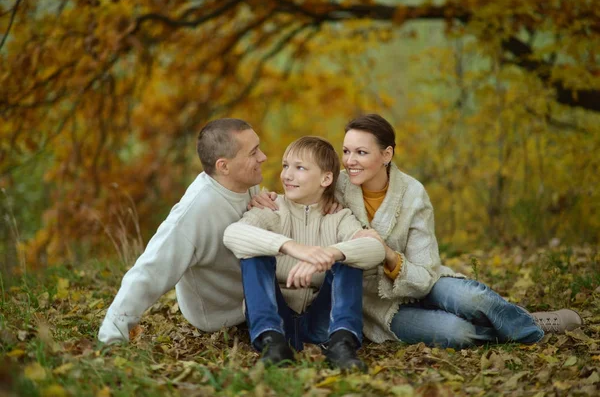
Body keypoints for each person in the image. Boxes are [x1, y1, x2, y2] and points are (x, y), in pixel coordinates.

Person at [252, 114, 582, 348]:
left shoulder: (412, 194)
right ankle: (521, 323)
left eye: (362, 152)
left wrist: (390, 256)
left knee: (475, 297)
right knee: (459, 334)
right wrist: (265, 197)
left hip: (420, 281)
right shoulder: (334, 186)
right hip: (373, 302)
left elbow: (424, 273)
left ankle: (531, 325)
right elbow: (298, 193)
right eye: (347, 151)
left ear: (387, 155)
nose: (350, 161)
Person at [98, 118, 267, 344]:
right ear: (223, 166)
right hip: (223, 317)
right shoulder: (195, 212)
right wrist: (111, 337)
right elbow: (150, 270)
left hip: (256, 292)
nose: (263, 157)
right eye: (253, 152)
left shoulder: (245, 182)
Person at [223, 136, 386, 370]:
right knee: (254, 251)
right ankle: (273, 345)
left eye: (299, 168)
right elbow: (232, 234)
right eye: (285, 166)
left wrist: (331, 253)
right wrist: (291, 247)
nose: (287, 175)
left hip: (323, 322)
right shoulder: (272, 208)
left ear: (326, 178)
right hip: (278, 319)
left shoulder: (339, 217)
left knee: (350, 256)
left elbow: (375, 248)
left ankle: (342, 345)